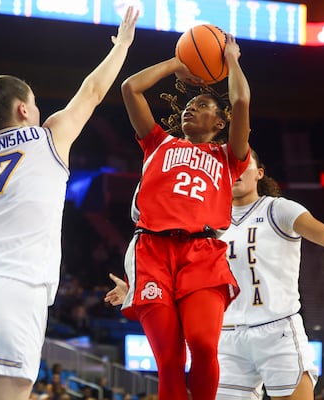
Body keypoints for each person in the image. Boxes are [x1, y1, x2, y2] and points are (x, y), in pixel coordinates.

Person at [0, 7, 138, 400]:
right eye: (33, 103)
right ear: (23, 110)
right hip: (10, 290)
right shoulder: (49, 136)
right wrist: (123, 44)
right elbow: (94, 91)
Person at [115, 31, 252, 399]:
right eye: (191, 104)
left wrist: (233, 59)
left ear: (219, 123)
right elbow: (130, 88)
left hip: (202, 254)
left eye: (204, 104)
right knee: (170, 360)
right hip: (152, 252)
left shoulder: (228, 158)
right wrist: (179, 64)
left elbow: (241, 100)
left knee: (204, 345)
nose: (192, 107)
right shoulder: (157, 143)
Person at [215, 149, 324, 400]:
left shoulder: (279, 209)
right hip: (227, 334)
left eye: (242, 164)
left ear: (259, 173)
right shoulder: (209, 222)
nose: (234, 171)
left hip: (277, 331)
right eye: (227, 167)